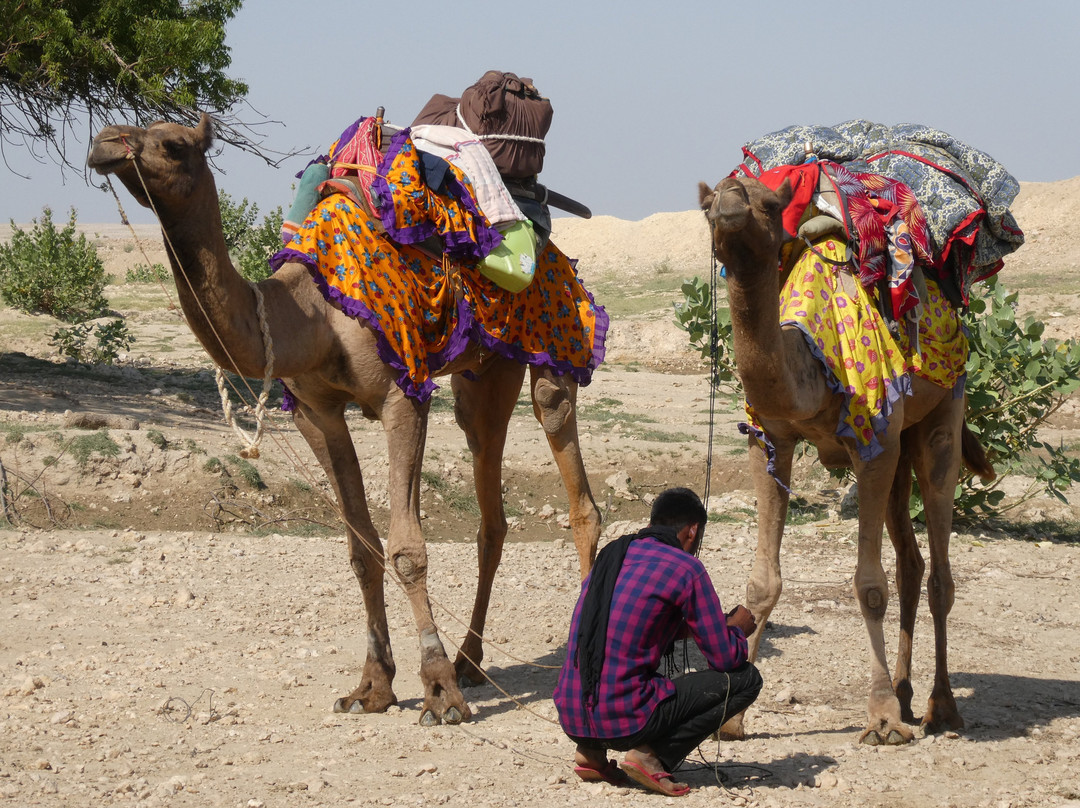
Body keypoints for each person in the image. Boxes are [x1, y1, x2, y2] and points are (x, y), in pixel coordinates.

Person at [552, 487, 762, 796]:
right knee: (746, 679)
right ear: (692, 531)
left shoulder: (611, 555)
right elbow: (724, 659)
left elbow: (620, 626)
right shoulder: (686, 568)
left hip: (572, 716)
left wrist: (694, 627)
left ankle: (590, 753)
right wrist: (737, 630)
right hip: (624, 719)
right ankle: (650, 757)